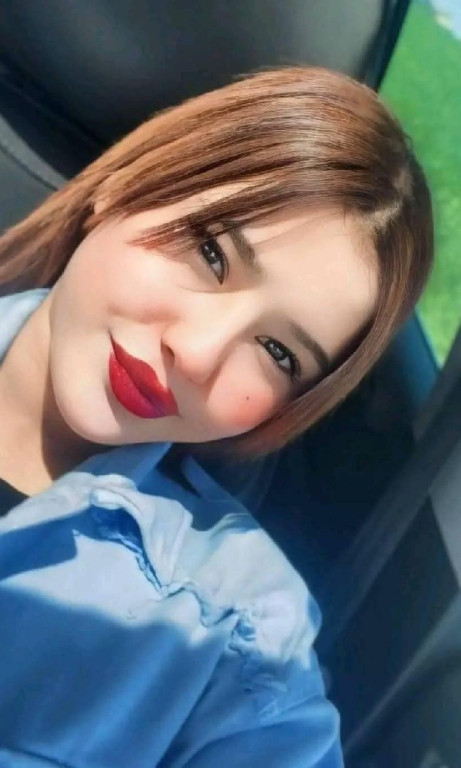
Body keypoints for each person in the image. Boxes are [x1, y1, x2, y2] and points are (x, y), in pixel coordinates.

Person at [0, 66, 433, 767]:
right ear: (125, 184)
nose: (198, 353)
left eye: (277, 352)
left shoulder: (240, 634)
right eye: (211, 254)